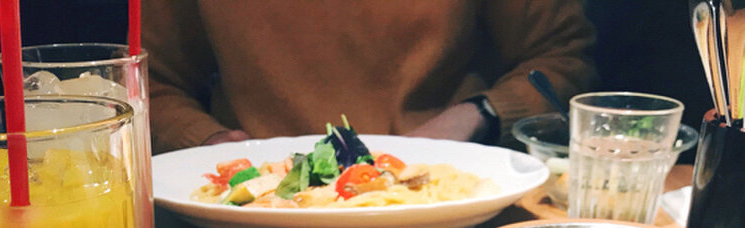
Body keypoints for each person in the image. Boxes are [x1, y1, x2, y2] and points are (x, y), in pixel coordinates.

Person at [142, 0, 598, 154]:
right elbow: (146, 85)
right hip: (242, 217)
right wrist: (210, 144)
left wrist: (480, 114)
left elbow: (563, 61)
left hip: (451, 198)